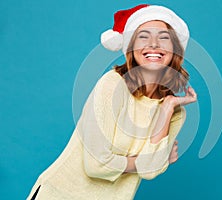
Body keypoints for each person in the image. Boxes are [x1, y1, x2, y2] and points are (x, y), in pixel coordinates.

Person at [27, 4, 197, 200]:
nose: (153, 44)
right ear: (130, 48)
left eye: (163, 38)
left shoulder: (174, 112)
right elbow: (96, 165)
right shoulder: (113, 85)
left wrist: (167, 108)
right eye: (143, 36)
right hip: (59, 194)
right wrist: (151, 161)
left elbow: (150, 172)